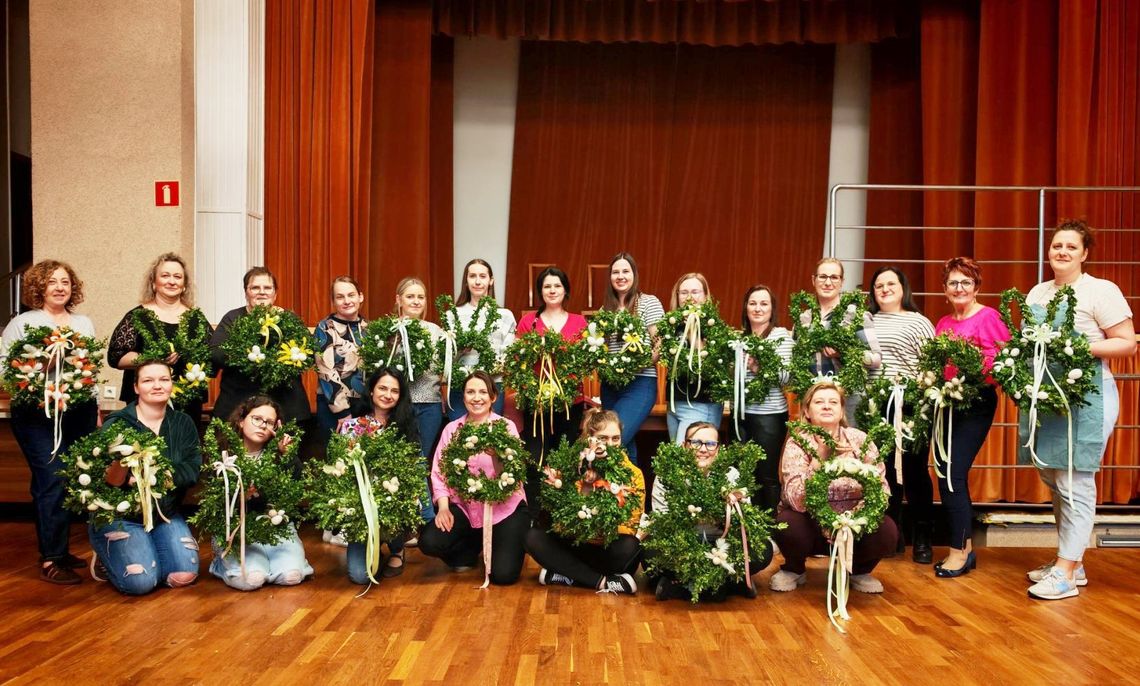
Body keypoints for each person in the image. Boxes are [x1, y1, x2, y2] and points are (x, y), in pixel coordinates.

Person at [1021, 220, 1135, 600]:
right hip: (1047, 401)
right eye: (1057, 246)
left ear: (1085, 254)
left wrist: (1078, 348)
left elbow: (1126, 344)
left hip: (1088, 399)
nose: (1062, 252)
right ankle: (1073, 560)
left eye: (1071, 246)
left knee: (1075, 481)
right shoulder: (1037, 293)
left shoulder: (1101, 291)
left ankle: (1066, 571)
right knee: (1054, 477)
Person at [1, 260, 98, 584]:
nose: (59, 287)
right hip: (36, 414)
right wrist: (43, 366)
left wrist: (95, 407)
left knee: (69, 478)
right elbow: (6, 372)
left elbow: (90, 369)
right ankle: (51, 559)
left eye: (65, 282)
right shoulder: (23, 323)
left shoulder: (83, 323)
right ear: (39, 287)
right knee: (51, 477)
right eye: (52, 282)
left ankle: (59, 546)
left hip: (77, 411)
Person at [769, 381, 898, 593]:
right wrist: (820, 457)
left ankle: (857, 570)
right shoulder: (798, 442)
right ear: (807, 412)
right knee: (788, 523)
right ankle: (794, 569)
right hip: (810, 523)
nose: (827, 406)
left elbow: (881, 489)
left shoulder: (860, 439)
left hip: (854, 523)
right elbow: (796, 499)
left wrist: (853, 519)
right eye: (819, 402)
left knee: (887, 531)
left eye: (833, 402)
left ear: (841, 411)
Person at [89, 361, 201, 595]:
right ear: (136, 387)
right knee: (140, 583)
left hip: (164, 514)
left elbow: (192, 469)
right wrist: (125, 470)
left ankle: (143, 548)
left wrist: (157, 475)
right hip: (123, 515)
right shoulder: (118, 424)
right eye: (148, 380)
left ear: (172, 384)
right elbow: (109, 481)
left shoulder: (182, 422)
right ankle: (107, 555)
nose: (157, 386)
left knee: (183, 574)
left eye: (164, 379)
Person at [931, 257, 1010, 578]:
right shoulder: (943, 324)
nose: (959, 288)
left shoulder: (989, 317)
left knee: (953, 473)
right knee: (944, 474)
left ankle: (959, 550)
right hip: (946, 403)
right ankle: (963, 547)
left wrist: (974, 371)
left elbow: (1005, 360)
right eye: (953, 282)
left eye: (966, 282)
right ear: (944, 289)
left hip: (975, 403)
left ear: (977, 287)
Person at [420, 371, 529, 585]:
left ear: (493, 397)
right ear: (463, 397)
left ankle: (507, 541)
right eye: (471, 392)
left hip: (503, 508)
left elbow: (514, 473)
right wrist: (443, 508)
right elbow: (439, 474)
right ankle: (470, 549)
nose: (476, 398)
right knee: (429, 541)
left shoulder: (506, 428)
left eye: (482, 392)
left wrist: (497, 456)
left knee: (503, 576)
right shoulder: (452, 430)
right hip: (467, 508)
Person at [648, 422, 773, 601]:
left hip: (723, 543)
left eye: (710, 444)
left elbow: (745, 520)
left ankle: (687, 585)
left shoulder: (732, 475)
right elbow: (662, 520)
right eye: (696, 443)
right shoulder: (667, 476)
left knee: (763, 549)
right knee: (650, 552)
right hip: (682, 544)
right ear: (685, 446)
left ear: (719, 449)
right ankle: (727, 583)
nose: (703, 449)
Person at [523, 409, 642, 594]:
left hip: (607, 548)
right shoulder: (572, 466)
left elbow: (631, 524)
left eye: (615, 438)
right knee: (533, 537)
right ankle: (602, 582)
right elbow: (561, 520)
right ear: (590, 438)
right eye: (603, 438)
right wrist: (586, 489)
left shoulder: (633, 473)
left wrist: (601, 527)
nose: (610, 444)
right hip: (575, 543)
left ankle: (567, 574)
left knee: (631, 546)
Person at [208, 396, 313, 591]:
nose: (263, 425)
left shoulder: (277, 453)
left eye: (269, 422)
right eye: (256, 419)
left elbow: (297, 484)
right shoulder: (224, 454)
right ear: (241, 420)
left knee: (292, 575)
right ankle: (223, 565)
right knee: (253, 579)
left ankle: (273, 561)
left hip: (274, 526)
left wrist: (287, 455)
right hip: (237, 528)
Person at [868, 266, 936, 563]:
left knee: (913, 470)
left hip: (911, 405)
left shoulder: (919, 322)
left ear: (902, 287)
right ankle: (892, 535)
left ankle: (923, 536)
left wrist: (919, 397)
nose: (884, 289)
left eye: (890, 283)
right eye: (879, 285)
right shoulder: (866, 322)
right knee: (884, 471)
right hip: (876, 405)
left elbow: (930, 365)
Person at [515, 267, 588, 519]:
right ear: (540, 291)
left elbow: (585, 362)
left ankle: (561, 516)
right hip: (536, 403)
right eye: (547, 286)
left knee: (564, 457)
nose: (552, 290)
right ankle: (535, 517)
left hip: (570, 402)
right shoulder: (528, 322)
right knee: (536, 458)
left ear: (565, 289)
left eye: (557, 285)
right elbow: (519, 361)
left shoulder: (580, 322)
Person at [338, 367, 422, 582]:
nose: (387, 395)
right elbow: (341, 470)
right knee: (360, 576)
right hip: (361, 506)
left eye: (394, 391)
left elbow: (413, 471)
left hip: (393, 501)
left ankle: (396, 548)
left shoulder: (405, 427)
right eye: (382, 388)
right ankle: (373, 545)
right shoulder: (351, 427)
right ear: (372, 391)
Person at [108, 253, 212, 425]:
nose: (172, 281)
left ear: (184, 285)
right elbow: (116, 357)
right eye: (165, 276)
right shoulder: (137, 316)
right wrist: (153, 359)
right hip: (144, 401)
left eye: (177, 277)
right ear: (154, 283)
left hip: (187, 403)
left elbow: (210, 356)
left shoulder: (197, 319)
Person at [208, 267, 312, 424]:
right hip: (238, 403)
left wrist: (276, 361)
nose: (261, 292)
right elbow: (216, 353)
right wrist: (249, 356)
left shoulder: (288, 319)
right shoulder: (233, 318)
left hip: (286, 404)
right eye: (255, 287)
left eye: (267, 288)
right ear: (246, 293)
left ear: (275, 294)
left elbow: (308, 354)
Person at [732, 284, 793, 516]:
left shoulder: (781, 337)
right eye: (753, 303)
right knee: (742, 473)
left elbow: (787, 377)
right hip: (740, 414)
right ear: (746, 308)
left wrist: (759, 366)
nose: (758, 308)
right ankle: (748, 526)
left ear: (772, 309)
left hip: (769, 415)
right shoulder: (739, 338)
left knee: (766, 474)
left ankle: (770, 528)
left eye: (764, 304)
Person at [598, 252, 664, 467]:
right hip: (610, 385)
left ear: (634, 274)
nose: (620, 276)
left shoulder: (648, 302)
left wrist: (636, 364)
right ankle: (631, 496)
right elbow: (599, 347)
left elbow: (660, 344)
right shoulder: (605, 309)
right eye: (615, 272)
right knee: (625, 442)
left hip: (640, 383)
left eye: (625, 271)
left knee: (614, 438)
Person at [797, 258, 882, 423]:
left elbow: (876, 358)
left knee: (848, 447)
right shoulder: (804, 319)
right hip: (814, 402)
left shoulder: (855, 316)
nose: (828, 282)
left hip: (849, 400)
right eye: (823, 277)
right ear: (813, 280)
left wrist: (845, 353)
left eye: (834, 277)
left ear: (842, 282)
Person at [394, 276, 445, 529]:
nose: (416, 301)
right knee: (401, 461)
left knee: (420, 460)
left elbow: (442, 370)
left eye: (420, 297)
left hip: (429, 405)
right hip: (398, 405)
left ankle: (422, 520)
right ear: (399, 300)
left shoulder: (436, 331)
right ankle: (421, 520)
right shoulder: (390, 330)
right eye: (410, 296)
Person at [443, 259, 516, 421]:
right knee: (459, 436)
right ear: (466, 281)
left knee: (489, 437)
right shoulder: (452, 315)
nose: (477, 281)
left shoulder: (505, 315)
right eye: (472, 276)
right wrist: (460, 350)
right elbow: (446, 359)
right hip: (460, 387)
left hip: (492, 386)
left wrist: (488, 373)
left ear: (490, 281)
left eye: (482, 276)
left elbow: (508, 356)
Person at [664, 273, 725, 444]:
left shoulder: (713, 326)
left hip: (700, 405)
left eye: (695, 291)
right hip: (675, 405)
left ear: (705, 296)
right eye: (683, 292)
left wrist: (692, 327)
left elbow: (706, 365)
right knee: (678, 463)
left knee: (688, 463)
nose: (689, 297)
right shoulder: (673, 325)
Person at [314, 276, 368, 444]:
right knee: (339, 462)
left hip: (364, 405)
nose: (347, 301)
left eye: (351, 295)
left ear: (360, 297)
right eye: (340, 297)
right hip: (334, 407)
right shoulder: (324, 328)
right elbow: (326, 372)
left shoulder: (370, 329)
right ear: (333, 301)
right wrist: (343, 413)